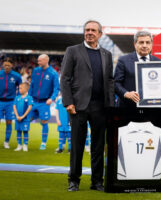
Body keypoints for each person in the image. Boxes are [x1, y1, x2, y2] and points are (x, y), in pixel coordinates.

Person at [60, 20, 114, 192]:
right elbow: (65, 78)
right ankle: (74, 180)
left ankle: (97, 182)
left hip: (100, 107)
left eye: (93, 30)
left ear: (100, 34)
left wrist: (110, 106)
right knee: (77, 146)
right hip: (78, 106)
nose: (89, 32)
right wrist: (68, 102)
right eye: (87, 30)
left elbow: (110, 81)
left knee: (98, 147)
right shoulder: (73, 51)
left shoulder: (107, 54)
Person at [114, 30, 161, 108]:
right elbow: (115, 83)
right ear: (135, 44)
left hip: (151, 108)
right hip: (127, 107)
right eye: (141, 42)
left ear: (152, 44)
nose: (145, 45)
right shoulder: (123, 60)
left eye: (148, 42)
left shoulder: (159, 63)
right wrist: (126, 93)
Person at [29, 54, 59, 150]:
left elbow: (56, 88)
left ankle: (43, 143)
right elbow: (32, 85)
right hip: (33, 101)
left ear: (46, 60)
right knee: (27, 119)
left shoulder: (53, 73)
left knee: (44, 121)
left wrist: (52, 98)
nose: (38, 62)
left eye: (40, 61)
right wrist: (29, 97)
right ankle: (23, 142)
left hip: (44, 102)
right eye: (38, 61)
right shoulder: (36, 71)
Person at [0, 57, 22, 149]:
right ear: (2, 65)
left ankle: (6, 142)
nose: (7, 67)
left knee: (9, 122)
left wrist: (18, 99)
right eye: (5, 65)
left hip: (10, 102)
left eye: (8, 65)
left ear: (12, 65)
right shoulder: (0, 74)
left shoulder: (16, 76)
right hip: (0, 101)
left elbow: (20, 88)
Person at [13, 82, 33, 152]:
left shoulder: (29, 98)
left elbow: (29, 107)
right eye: (19, 88)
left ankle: (25, 145)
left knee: (25, 131)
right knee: (18, 131)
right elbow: (14, 106)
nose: (19, 90)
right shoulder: (17, 97)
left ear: (26, 89)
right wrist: (17, 116)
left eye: (21, 88)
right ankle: (19, 145)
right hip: (17, 118)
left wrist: (23, 116)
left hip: (25, 119)